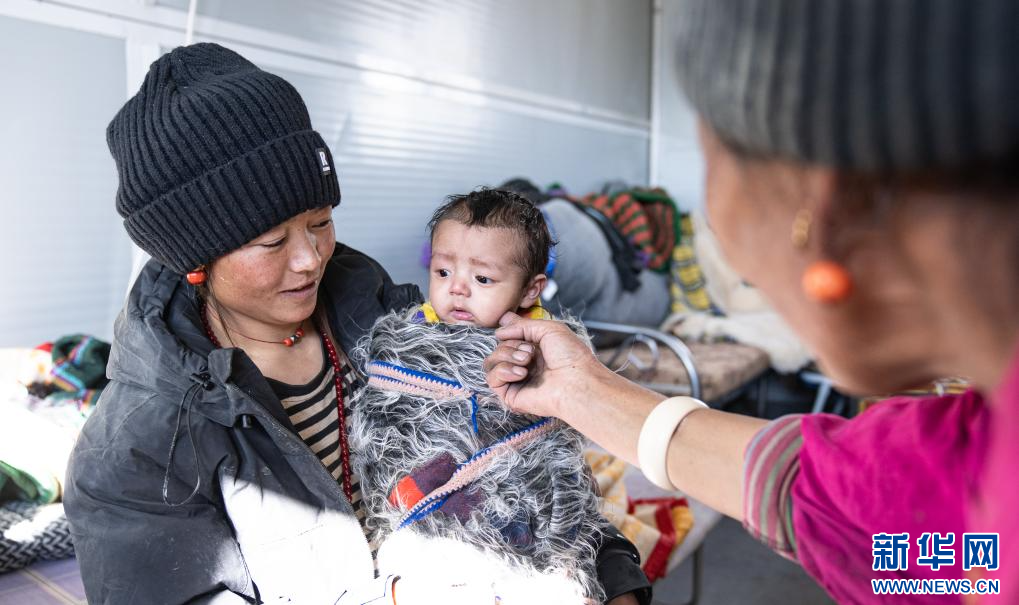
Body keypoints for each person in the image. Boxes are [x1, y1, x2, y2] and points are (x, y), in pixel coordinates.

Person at [62, 43, 647, 605]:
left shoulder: (391, 322)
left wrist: (611, 575)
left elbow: (532, 463)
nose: (310, 259)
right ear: (195, 258)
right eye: (272, 242)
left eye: (320, 222)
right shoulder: (138, 453)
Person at [485, 1, 1018, 603]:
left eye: (711, 160)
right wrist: (580, 390)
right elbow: (818, 495)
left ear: (825, 214)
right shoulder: (968, 476)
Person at [350, 189, 637, 604]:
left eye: (482, 279)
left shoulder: (540, 345)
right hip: (433, 516)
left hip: (522, 512)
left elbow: (553, 442)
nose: (457, 289)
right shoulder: (409, 336)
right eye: (442, 272)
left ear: (529, 291)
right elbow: (389, 418)